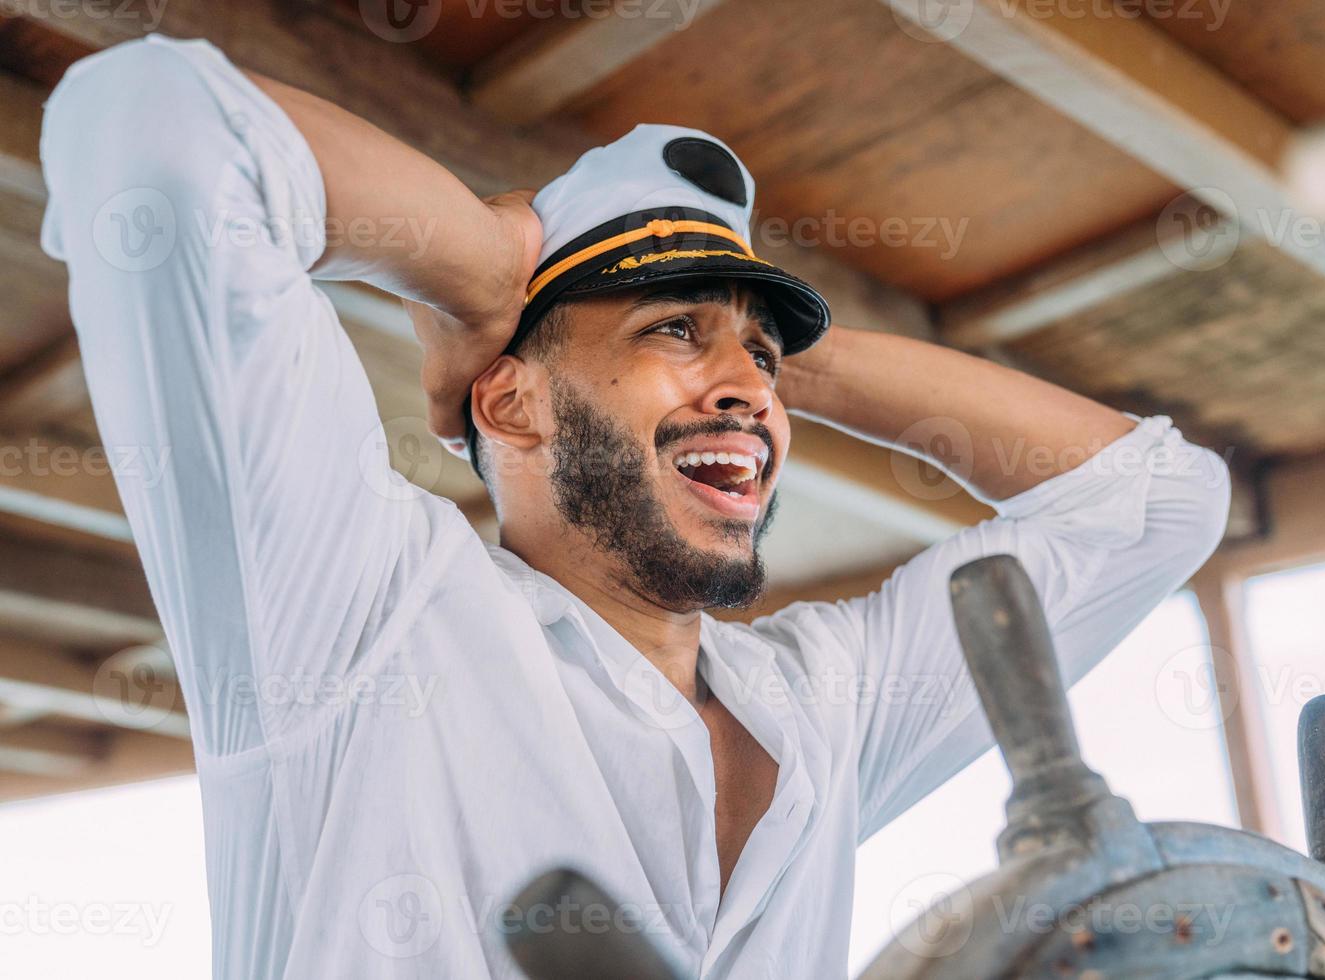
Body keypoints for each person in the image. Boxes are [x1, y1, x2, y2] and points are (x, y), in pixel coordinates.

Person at [39, 33, 1230, 980]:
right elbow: (151, 129)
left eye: (764, 359)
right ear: (509, 409)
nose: (752, 390)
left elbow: (1161, 500)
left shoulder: (821, 706)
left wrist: (751, 358)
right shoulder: (356, 617)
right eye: (669, 328)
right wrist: (479, 277)